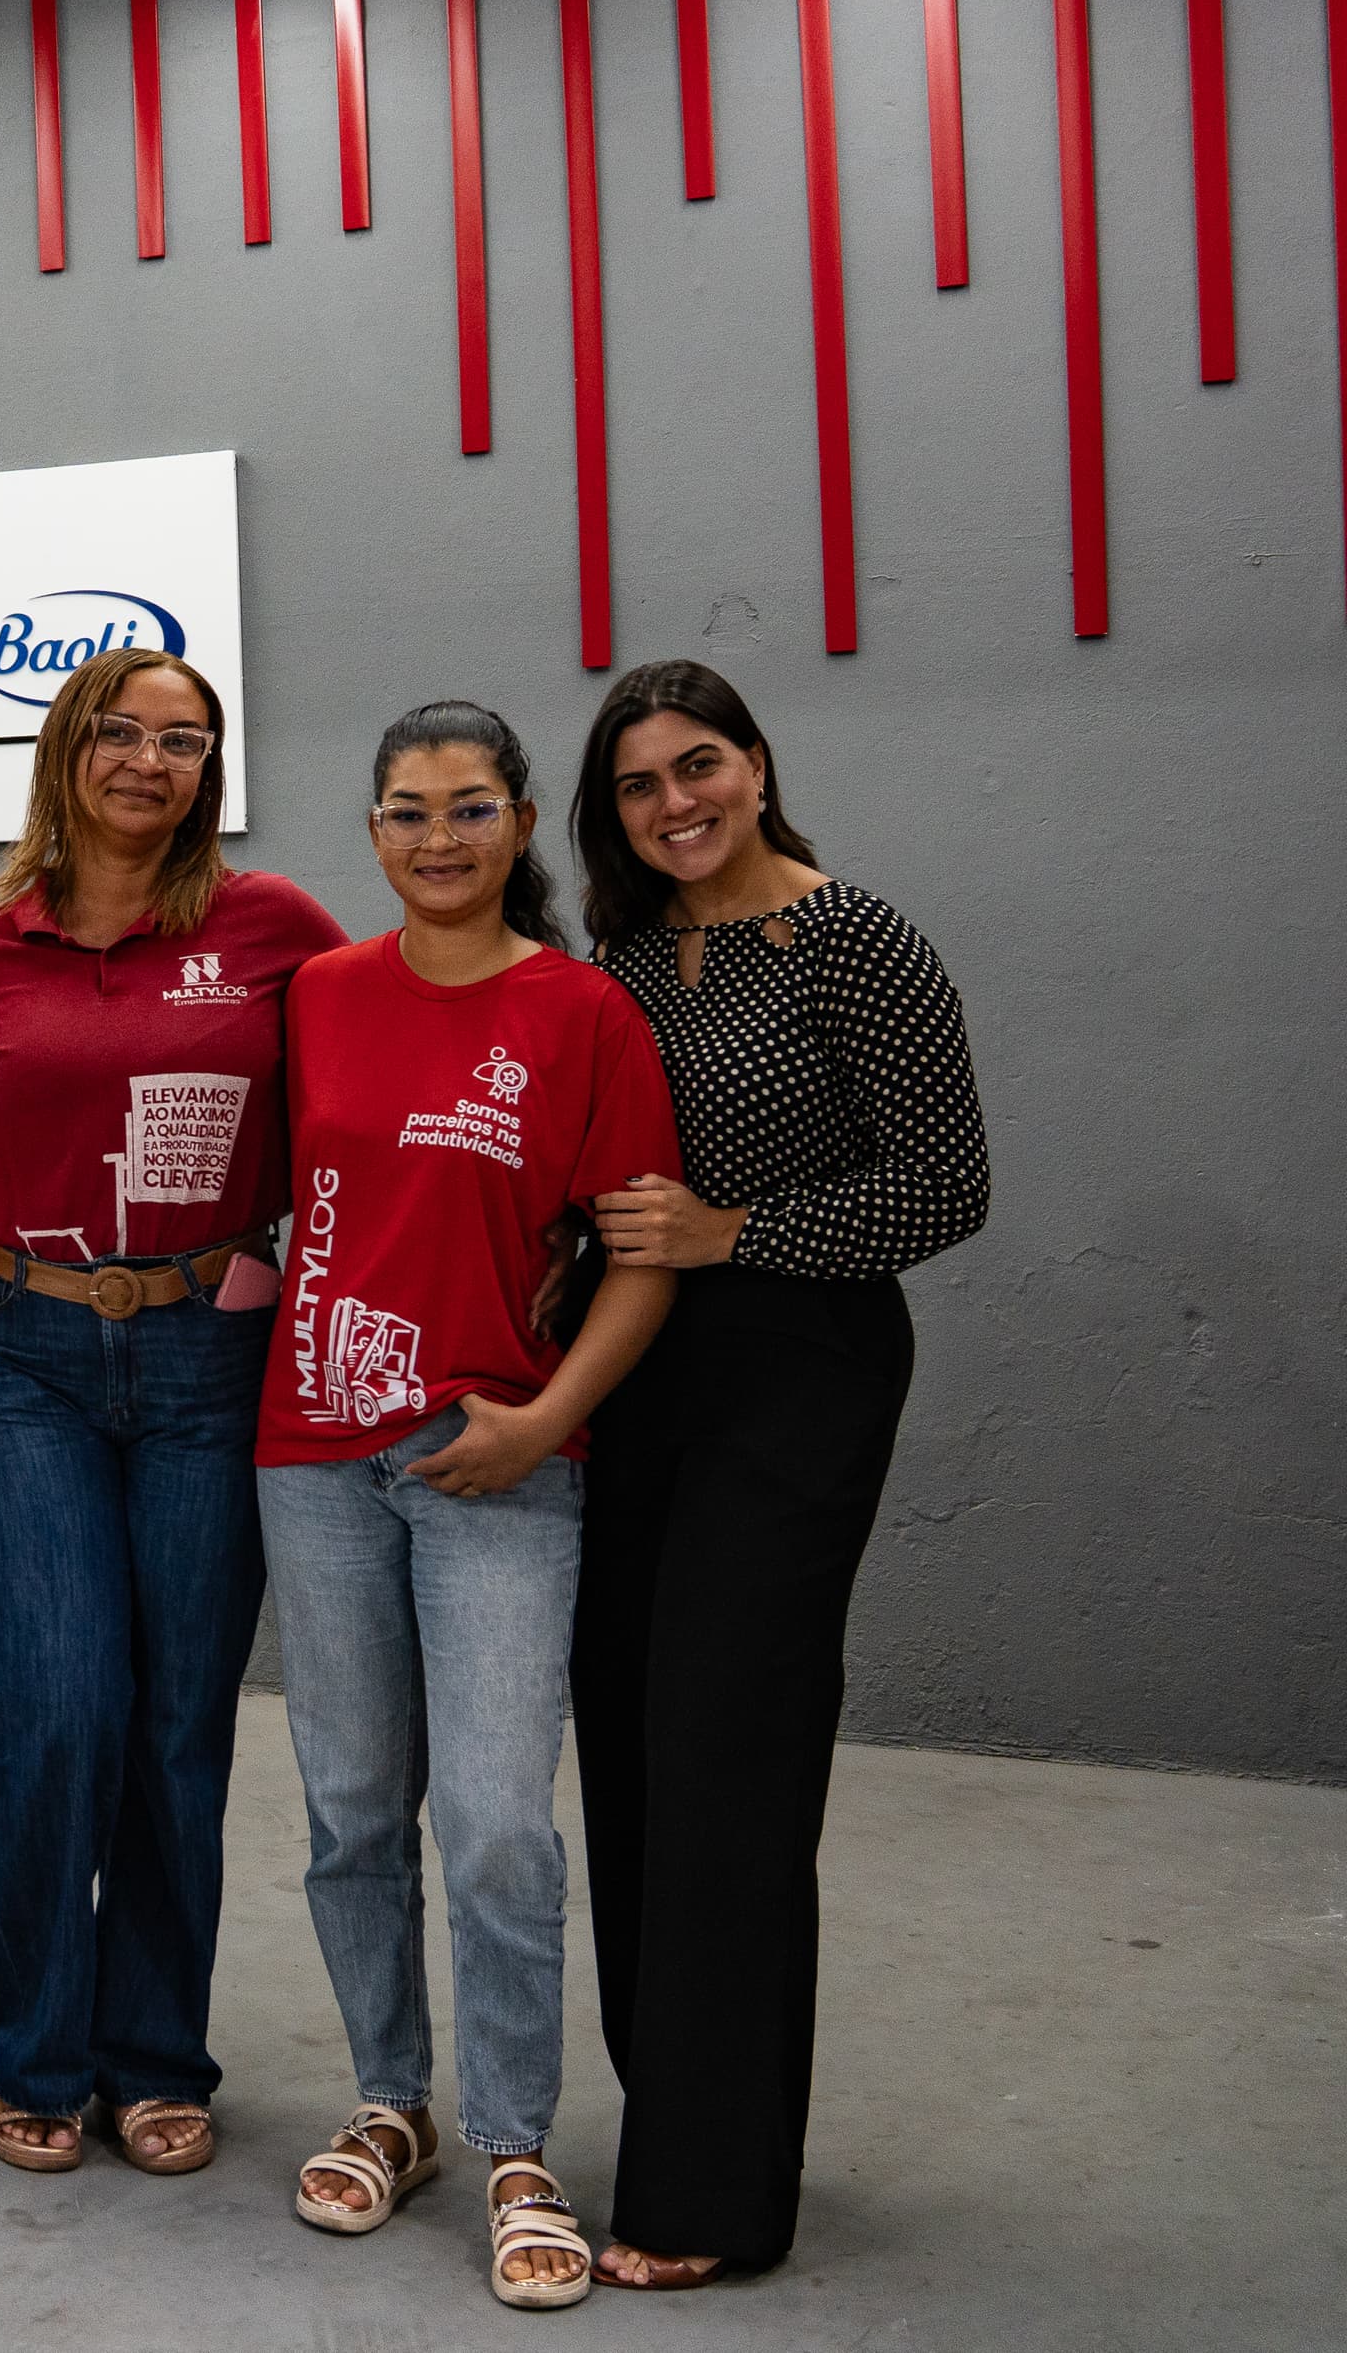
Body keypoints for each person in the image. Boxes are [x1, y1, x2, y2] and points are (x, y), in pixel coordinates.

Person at [253, 700, 683, 2315]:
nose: (439, 838)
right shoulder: (320, 996)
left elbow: (639, 1257)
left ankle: (514, 2143)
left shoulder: (583, 1013)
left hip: (500, 1455)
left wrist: (549, 1423)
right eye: (409, 812)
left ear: (520, 823)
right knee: (354, 1808)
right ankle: (393, 2103)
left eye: (471, 808)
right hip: (315, 1453)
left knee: (498, 1823)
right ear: (373, 832)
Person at [565, 661, 990, 2291]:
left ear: (756, 764)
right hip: (631, 1365)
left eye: (700, 766)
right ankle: (678, 2108)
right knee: (630, 1737)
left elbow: (947, 1184)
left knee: (729, 1753)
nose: (676, 803)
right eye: (640, 783)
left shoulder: (855, 940)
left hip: (800, 1369)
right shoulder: (619, 959)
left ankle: (710, 2198)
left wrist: (736, 1231)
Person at [0, 647, 346, 2179]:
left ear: (210, 771)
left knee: (175, 1721)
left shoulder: (273, 928)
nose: (149, 760)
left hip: (209, 1356)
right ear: (66, 749)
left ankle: (155, 2054)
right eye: (120, 730)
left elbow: (369, 1083)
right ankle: (37, 2052)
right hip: (28, 1350)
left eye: (185, 739)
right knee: (54, 1709)